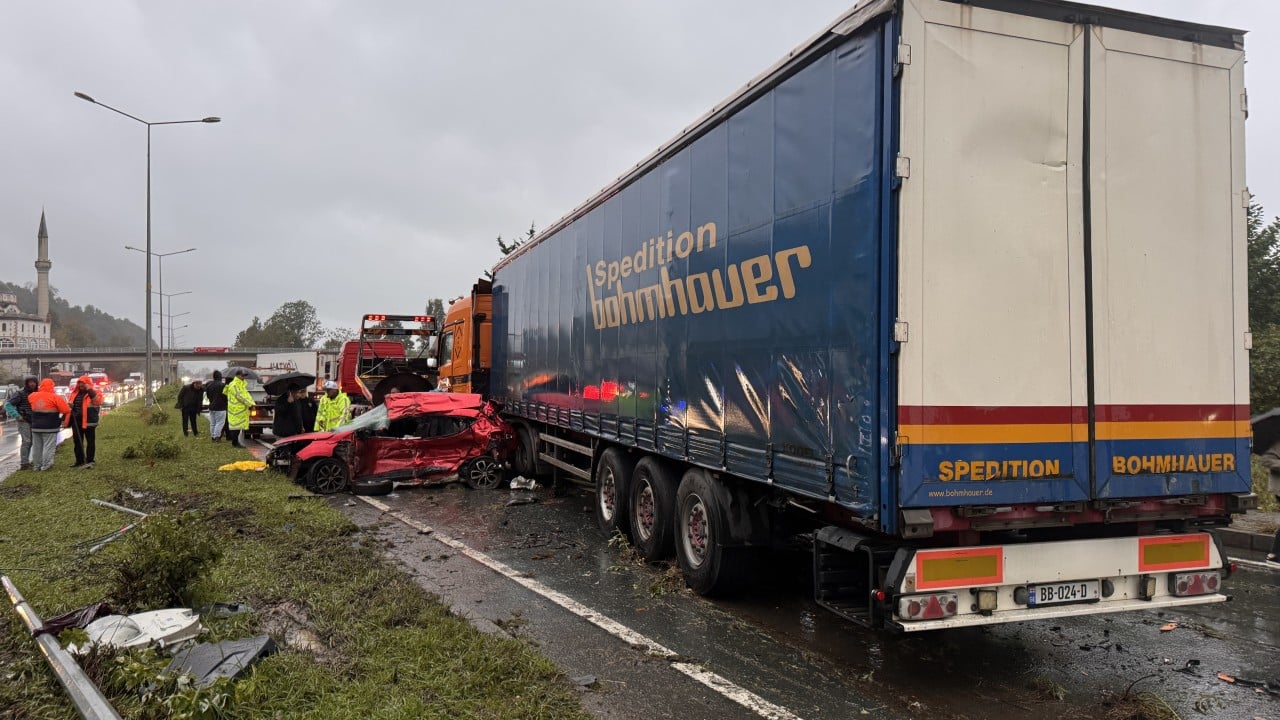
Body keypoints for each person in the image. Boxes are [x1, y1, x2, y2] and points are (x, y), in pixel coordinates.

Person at [27, 378, 70, 471]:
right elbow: (66, 410)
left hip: (35, 427)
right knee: (48, 446)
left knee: (37, 447)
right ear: (52, 386)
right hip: (50, 427)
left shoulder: (32, 396)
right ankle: (46, 466)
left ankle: (36, 466)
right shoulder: (55, 397)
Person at [2, 375, 39, 470]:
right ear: (26, 383)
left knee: (32, 442)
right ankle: (24, 463)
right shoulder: (20, 393)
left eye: (33, 382)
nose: (32, 384)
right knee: (26, 441)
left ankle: (28, 461)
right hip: (24, 421)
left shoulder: (39, 393)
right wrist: (17, 416)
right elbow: (8, 405)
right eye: (30, 382)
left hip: (35, 421)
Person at [68, 375, 104, 469]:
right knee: (77, 441)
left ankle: (90, 460)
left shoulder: (95, 392)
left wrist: (90, 390)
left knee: (90, 442)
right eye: (79, 383)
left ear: (87, 384)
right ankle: (79, 461)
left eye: (83, 384)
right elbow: (71, 405)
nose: (81, 386)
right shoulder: (74, 393)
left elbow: (97, 401)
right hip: (77, 421)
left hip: (89, 421)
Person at [223, 368, 255, 448]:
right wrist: (249, 404)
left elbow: (246, 395)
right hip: (236, 409)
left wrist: (251, 403)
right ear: (237, 375)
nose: (243, 377)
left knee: (238, 427)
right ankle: (235, 443)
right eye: (242, 375)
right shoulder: (234, 385)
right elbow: (239, 396)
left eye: (244, 375)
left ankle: (236, 442)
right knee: (235, 427)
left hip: (240, 408)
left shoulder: (241, 384)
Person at [205, 370, 228, 442]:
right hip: (221, 407)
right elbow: (226, 396)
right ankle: (217, 437)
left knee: (213, 423)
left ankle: (213, 436)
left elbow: (208, 396)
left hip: (212, 406)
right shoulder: (223, 385)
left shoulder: (209, 385)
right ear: (220, 377)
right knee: (220, 423)